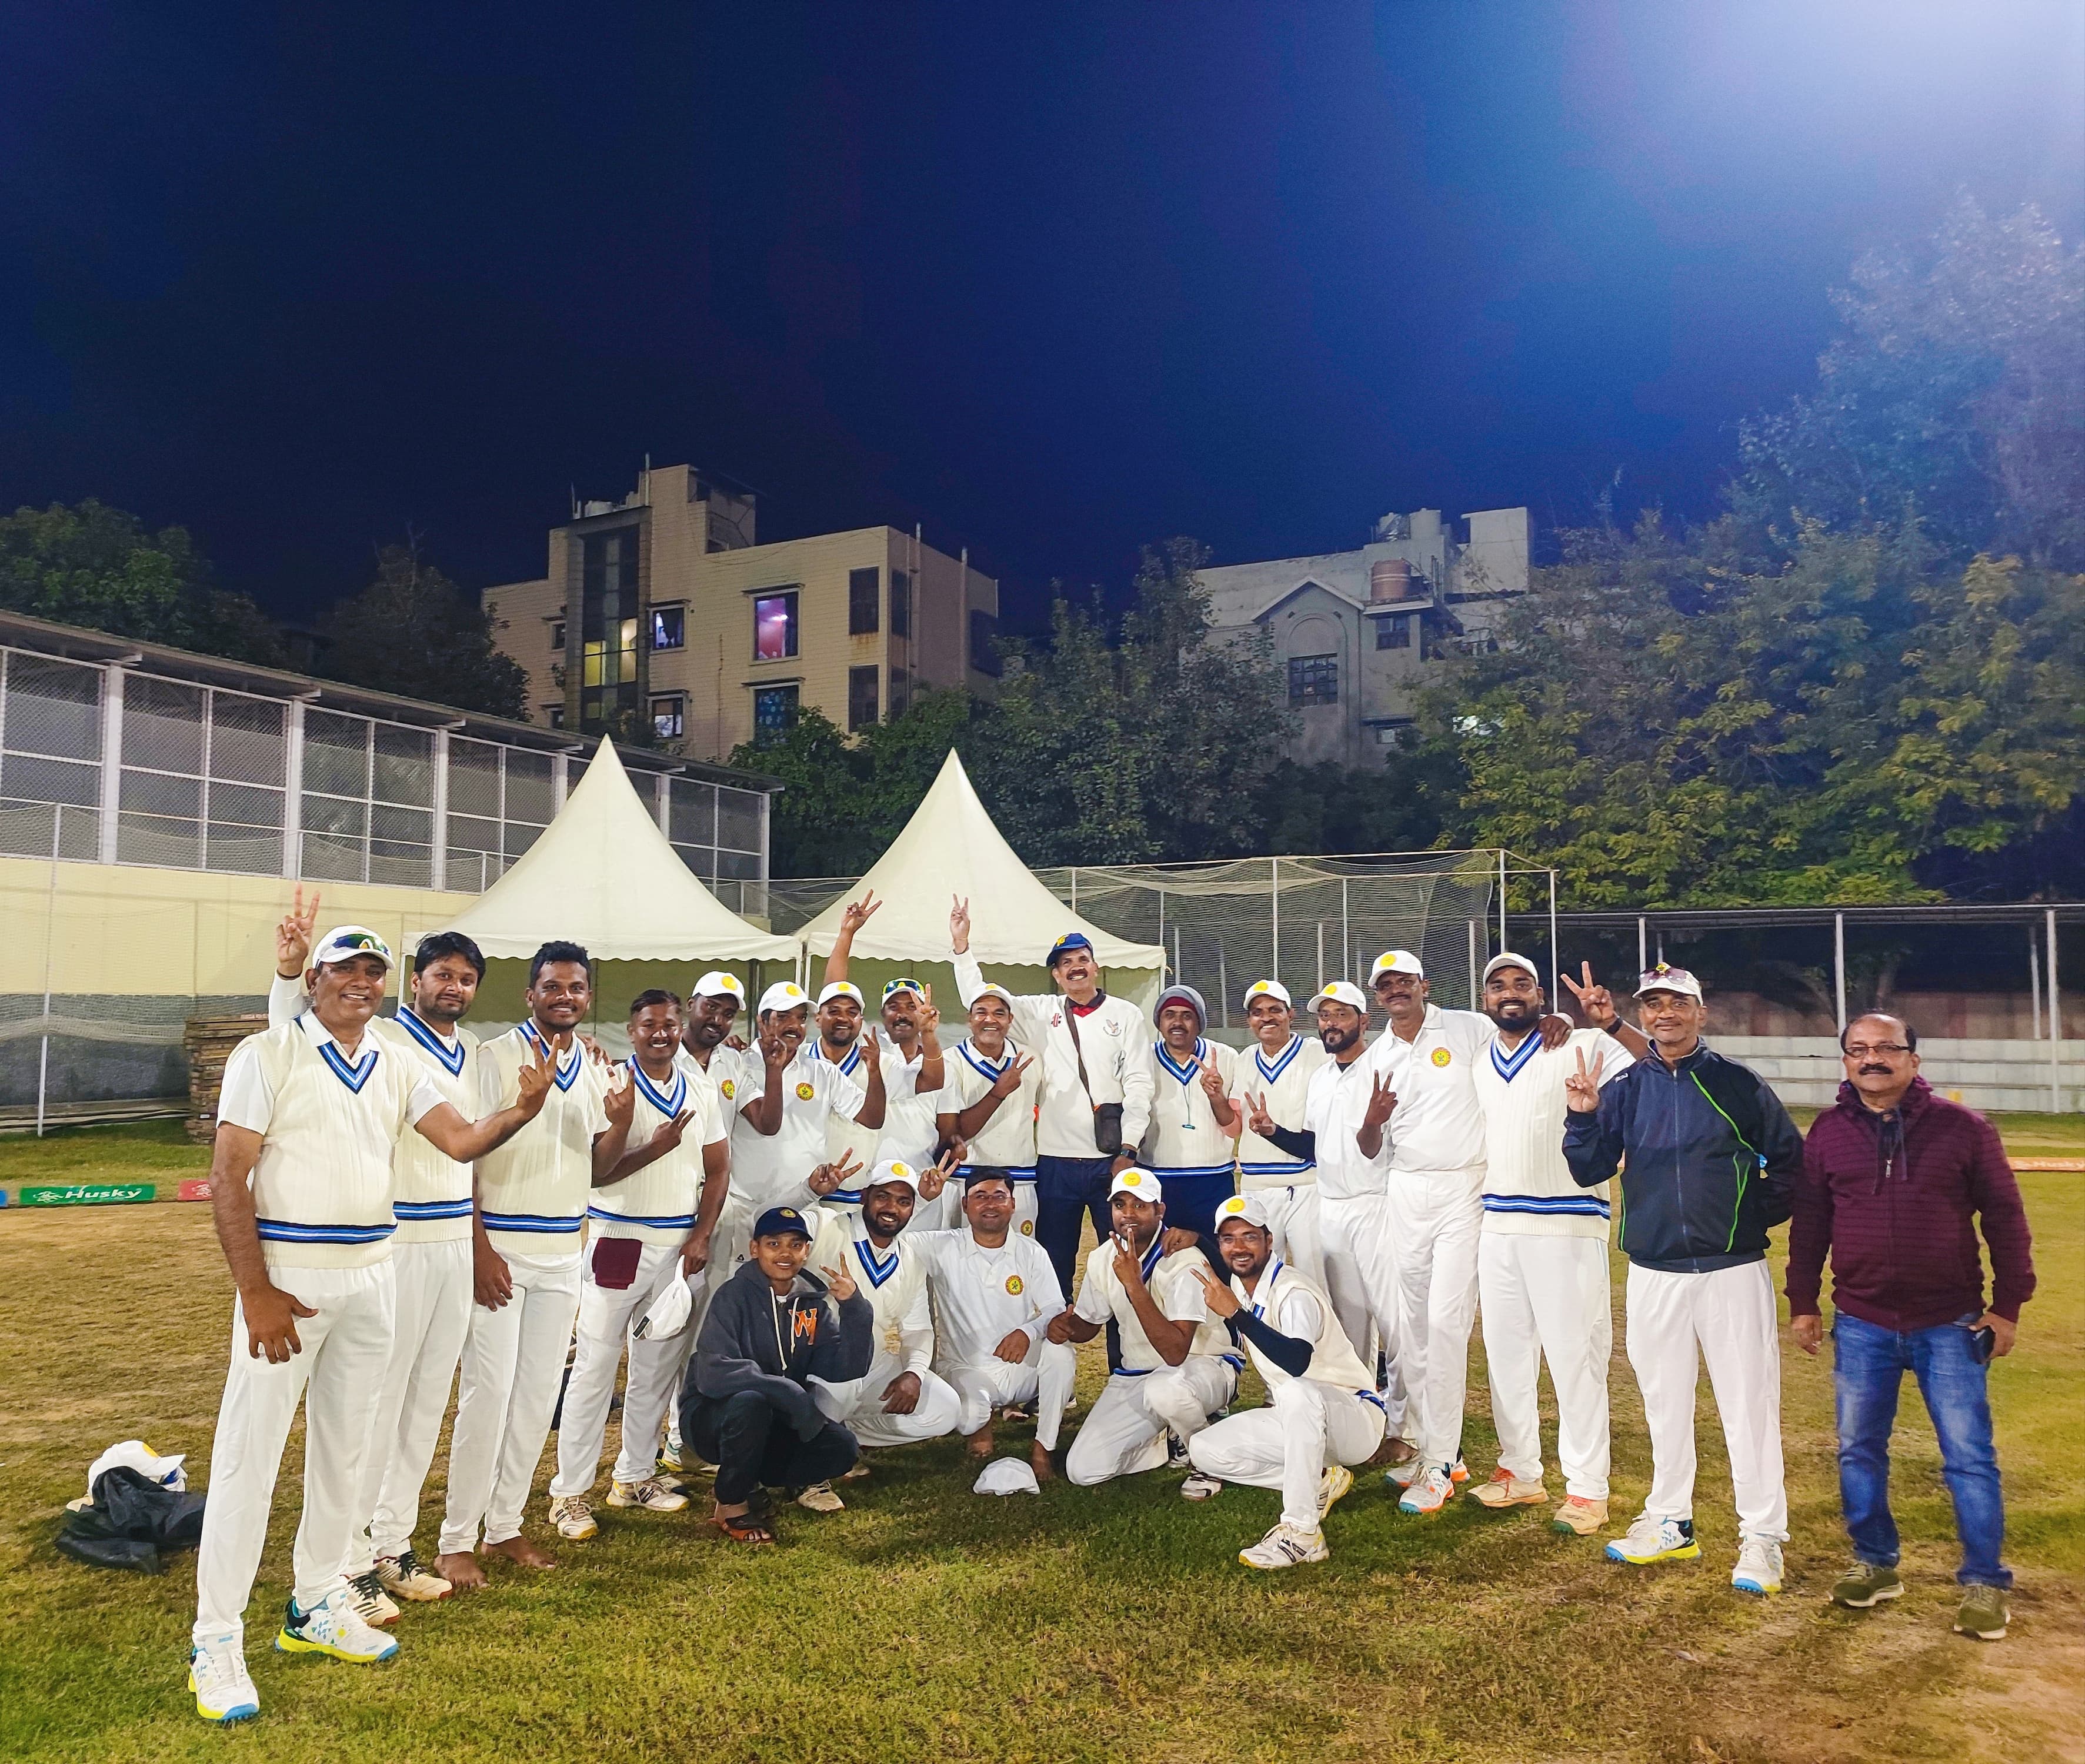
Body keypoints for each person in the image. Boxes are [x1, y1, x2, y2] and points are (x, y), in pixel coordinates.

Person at [189, 926, 552, 1725]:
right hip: (289, 1280)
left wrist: (521, 1111)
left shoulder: (393, 1058)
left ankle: (315, 1604)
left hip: (371, 1277)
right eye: (345, 969)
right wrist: (255, 1291)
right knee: (249, 1461)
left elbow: (459, 1141)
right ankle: (215, 1639)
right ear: (314, 978)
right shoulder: (267, 1054)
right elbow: (227, 1175)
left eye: (372, 971)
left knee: (346, 1455)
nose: (359, 981)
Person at [263, 891, 490, 1619]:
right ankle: (349, 1560)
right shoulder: (379, 1035)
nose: (452, 987)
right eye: (441, 974)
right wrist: (289, 971)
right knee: (372, 1407)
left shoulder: (473, 1052)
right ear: (414, 981)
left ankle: (392, 1545)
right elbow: (290, 1035)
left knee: (425, 1403)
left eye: (465, 978)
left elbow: (473, 1147)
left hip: (453, 1240)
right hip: (396, 1241)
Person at [1787, 1011, 2037, 1642]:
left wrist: (2007, 1306)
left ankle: (1984, 1582)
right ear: (1845, 1061)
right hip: (1861, 1321)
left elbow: (2005, 1219)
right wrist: (1803, 1301)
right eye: (1858, 1049)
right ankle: (1874, 1564)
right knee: (1858, 1450)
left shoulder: (1964, 1129)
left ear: (1912, 1060)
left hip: (1949, 1322)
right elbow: (1810, 1223)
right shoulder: (1827, 1132)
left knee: (1968, 1458)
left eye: (1885, 1048)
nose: (1871, 1058)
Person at [1564, 963, 1804, 1596]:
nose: (1663, 1013)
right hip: (1653, 1271)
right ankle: (1670, 1521)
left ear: (1701, 1012)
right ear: (1641, 1014)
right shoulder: (1623, 1087)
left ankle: (1762, 1536)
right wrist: (1582, 1117)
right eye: (1652, 1004)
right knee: (1663, 1403)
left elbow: (1789, 1162)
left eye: (1676, 1003)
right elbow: (1586, 1168)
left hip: (1731, 1270)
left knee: (1748, 1407)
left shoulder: (1735, 1082)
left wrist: (1744, 1217)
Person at [435, 941, 636, 1590]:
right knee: (487, 1396)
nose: (564, 997)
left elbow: (598, 1170)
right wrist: (479, 1248)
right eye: (552, 986)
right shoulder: (492, 1057)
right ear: (531, 995)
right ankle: (455, 1540)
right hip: (501, 1249)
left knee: (535, 1397)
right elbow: (461, 1156)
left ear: (587, 997)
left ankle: (505, 1526)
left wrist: (620, 1124)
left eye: (575, 988)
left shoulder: (597, 1067)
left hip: (562, 1253)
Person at [1361, 949, 1569, 1515]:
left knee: (1445, 1325)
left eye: (1405, 980)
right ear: (1378, 995)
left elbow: (1520, 1030)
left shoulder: (1468, 1027)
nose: (1396, 990)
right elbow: (1370, 1145)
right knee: (1413, 1330)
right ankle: (1442, 1452)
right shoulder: (1378, 1053)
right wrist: (1373, 1120)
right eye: (1386, 984)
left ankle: (1437, 1464)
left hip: (1464, 1188)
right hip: (1405, 1190)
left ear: (1424, 984)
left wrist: (1560, 1019)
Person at [546, 989, 732, 1541]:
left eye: (669, 1024)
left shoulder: (698, 1086)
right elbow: (595, 1173)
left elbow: (719, 1169)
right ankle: (569, 1493)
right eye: (649, 1024)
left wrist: (701, 1235)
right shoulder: (610, 1083)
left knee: (655, 1368)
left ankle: (634, 1476)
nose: (661, 1033)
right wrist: (653, 1145)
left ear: (681, 1027)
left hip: (677, 1245)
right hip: (619, 1236)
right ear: (632, 1032)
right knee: (595, 1369)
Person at [1466, 956, 1642, 1538]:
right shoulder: (1480, 1057)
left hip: (1567, 1222)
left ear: (1540, 995)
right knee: (1505, 1359)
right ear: (1485, 999)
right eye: (1497, 986)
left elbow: (1656, 1062)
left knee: (1575, 1361)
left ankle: (1588, 1489)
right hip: (1498, 1224)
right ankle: (1520, 1471)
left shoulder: (1583, 1043)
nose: (1509, 993)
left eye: (1521, 984)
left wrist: (1604, 1021)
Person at [950, 896, 1155, 1305]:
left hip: (1109, 1159)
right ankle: (1053, 1338)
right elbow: (983, 999)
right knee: (1053, 1261)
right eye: (1066, 963)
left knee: (1121, 1260)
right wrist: (961, 947)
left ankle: (1124, 1341)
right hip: (1054, 1162)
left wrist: (1129, 1148)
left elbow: (1139, 1083)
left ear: (1095, 966)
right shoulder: (1039, 1012)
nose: (1075, 967)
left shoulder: (1126, 1014)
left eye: (1082, 959)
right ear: (1056, 975)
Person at [1239, 981, 1410, 1459]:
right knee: (1347, 1317)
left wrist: (1374, 1123)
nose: (1331, 1024)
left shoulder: (1384, 1066)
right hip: (1331, 1204)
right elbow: (1314, 1146)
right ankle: (1363, 1417)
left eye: (1341, 1014)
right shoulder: (1323, 1077)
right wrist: (1273, 1132)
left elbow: (1383, 1145)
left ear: (1364, 1020)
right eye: (1325, 1016)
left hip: (1375, 1203)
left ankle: (1409, 1428)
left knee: (1393, 1320)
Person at [1186, 1193, 1386, 1569]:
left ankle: (1303, 1534)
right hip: (1303, 1415)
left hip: (1354, 1419)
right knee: (1205, 1450)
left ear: (1269, 1241)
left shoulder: (1293, 1292)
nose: (1238, 1248)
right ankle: (1321, 1482)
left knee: (1295, 1392)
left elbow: (1297, 1361)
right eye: (1228, 1239)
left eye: (1249, 1237)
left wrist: (1236, 1315)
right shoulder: (1241, 1286)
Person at [680, 1205, 875, 1544]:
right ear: (755, 1249)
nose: (785, 1253)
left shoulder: (811, 1303)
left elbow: (846, 1367)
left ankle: (753, 1479)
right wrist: (788, 1392)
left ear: (806, 1251)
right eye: (774, 1244)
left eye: (795, 1245)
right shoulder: (732, 1295)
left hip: (774, 1419)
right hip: (712, 1418)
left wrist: (856, 1308)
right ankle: (731, 1504)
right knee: (750, 1403)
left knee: (841, 1448)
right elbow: (714, 1374)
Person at [1049, 1170, 1240, 1489]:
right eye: (1120, 1205)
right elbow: (1088, 1326)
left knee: (1166, 1390)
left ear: (1159, 1211)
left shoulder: (1184, 1259)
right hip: (1138, 1374)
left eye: (1140, 1206)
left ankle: (1208, 1457)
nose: (1128, 1214)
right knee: (1084, 1470)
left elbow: (1176, 1353)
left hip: (1204, 1365)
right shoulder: (1103, 1257)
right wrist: (1064, 1326)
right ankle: (1165, 1440)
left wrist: (1134, 1285)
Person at [796, 1156, 965, 1509]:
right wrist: (808, 1193)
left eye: (904, 1201)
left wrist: (914, 1374)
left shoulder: (910, 1258)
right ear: (865, 1197)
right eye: (883, 1197)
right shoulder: (829, 1226)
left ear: (913, 1209)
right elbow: (766, 1222)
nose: (892, 1209)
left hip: (874, 1364)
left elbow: (918, 1329)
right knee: (842, 1384)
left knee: (945, 1409)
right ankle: (808, 1474)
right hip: (818, 1366)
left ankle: (843, 1436)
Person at [910, 1171, 1075, 1482]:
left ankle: (1043, 1448)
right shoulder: (940, 1245)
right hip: (964, 1367)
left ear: (1013, 1204)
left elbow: (1055, 1308)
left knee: (1061, 1355)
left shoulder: (1031, 1251)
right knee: (970, 1416)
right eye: (980, 1197)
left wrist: (1027, 1332)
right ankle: (980, 1427)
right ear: (965, 1205)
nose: (990, 1204)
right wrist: (922, 1200)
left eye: (999, 1197)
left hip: (1018, 1365)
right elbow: (894, 1240)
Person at [659, 969, 753, 1480]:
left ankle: (683, 1436)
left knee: (704, 1327)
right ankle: (646, 1447)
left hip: (716, 1206)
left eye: (728, 1013)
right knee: (660, 1330)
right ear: (690, 1004)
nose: (717, 1019)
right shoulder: (659, 1053)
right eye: (710, 1007)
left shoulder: (734, 1061)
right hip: (664, 1206)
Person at [822, 893, 949, 1216]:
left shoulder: (908, 1059)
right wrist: (847, 934)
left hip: (916, 1183)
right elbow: (834, 995)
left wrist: (929, 1035)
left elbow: (933, 1081)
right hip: (859, 1182)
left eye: (913, 1006)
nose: (904, 1013)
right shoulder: (872, 1050)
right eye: (895, 1006)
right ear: (881, 1014)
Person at [1227, 979, 1330, 1287]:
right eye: (1257, 1012)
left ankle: (1321, 1322)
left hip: (1305, 1184)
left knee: (1315, 1277)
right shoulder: (1245, 1059)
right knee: (1260, 1279)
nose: (1267, 1018)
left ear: (1291, 1014)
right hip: (1256, 1184)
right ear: (1249, 1020)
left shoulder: (1316, 1051)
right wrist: (1216, 1097)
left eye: (1275, 1010)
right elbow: (1234, 1125)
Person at [936, 984, 1043, 1239]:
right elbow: (954, 1132)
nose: (990, 1020)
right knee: (959, 1258)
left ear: (1010, 1020)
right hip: (964, 1179)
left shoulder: (1031, 1059)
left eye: (999, 1013)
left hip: (1020, 1178)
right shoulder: (950, 1061)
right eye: (981, 1012)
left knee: (1018, 1257)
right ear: (969, 1019)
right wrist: (999, 1092)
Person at [1141, 983, 1242, 1247]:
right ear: (1159, 1022)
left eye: (1187, 1016)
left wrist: (1216, 1095)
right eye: (1170, 1015)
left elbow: (1234, 1129)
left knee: (1216, 1255)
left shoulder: (1226, 1057)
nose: (1178, 1022)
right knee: (1160, 1256)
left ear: (1199, 1023)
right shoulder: (1142, 1058)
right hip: (1157, 1178)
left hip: (1213, 1180)